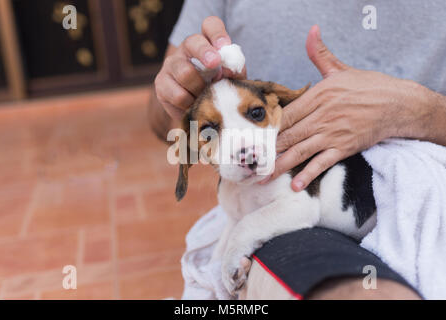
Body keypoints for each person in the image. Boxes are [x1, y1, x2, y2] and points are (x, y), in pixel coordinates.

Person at [149, 0, 446, 299]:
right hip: (303, 233)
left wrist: (419, 112)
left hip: (415, 183)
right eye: (211, 130)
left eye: (255, 114)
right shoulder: (236, 185)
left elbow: (299, 208)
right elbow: (162, 120)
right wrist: (177, 95)